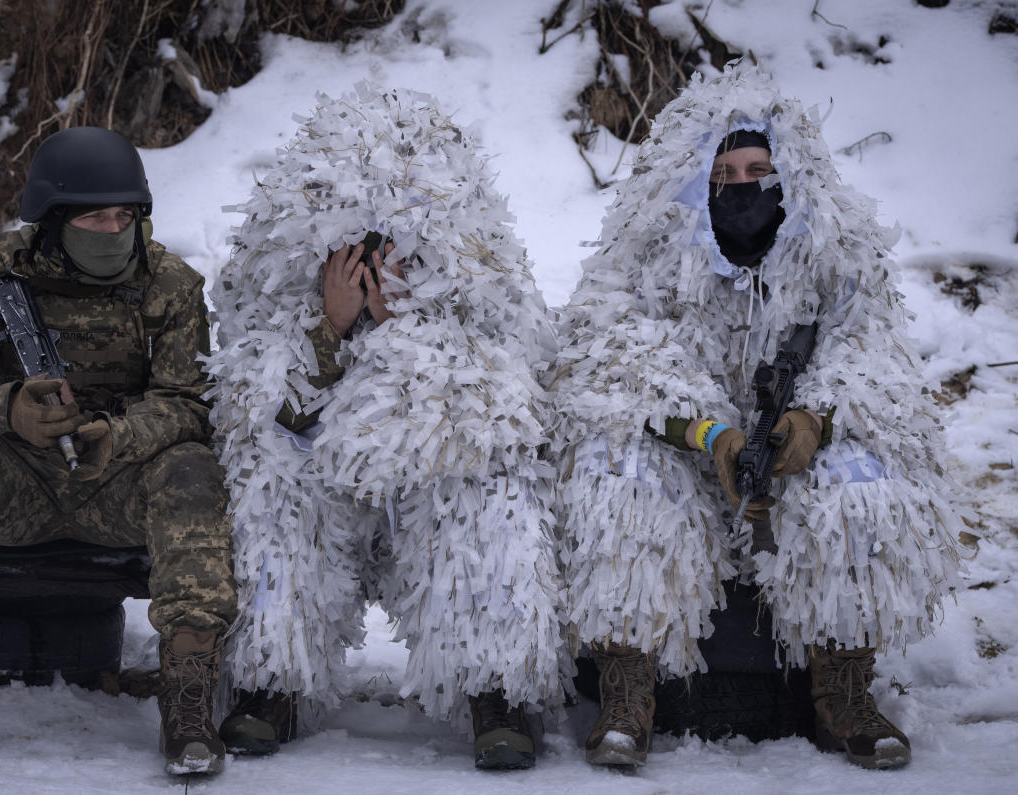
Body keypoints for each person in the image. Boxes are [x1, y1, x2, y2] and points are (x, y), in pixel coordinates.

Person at [549, 63, 964, 771]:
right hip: (686, 461)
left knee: (859, 487)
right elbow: (605, 361)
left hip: (791, 463)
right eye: (723, 172)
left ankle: (842, 692)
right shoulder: (643, 256)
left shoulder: (834, 256)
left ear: (789, 175)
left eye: (759, 169)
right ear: (691, 179)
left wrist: (811, 423)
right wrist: (704, 433)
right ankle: (626, 693)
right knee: (615, 480)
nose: (742, 187)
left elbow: (874, 359)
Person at [205, 85, 567, 769]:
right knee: (271, 480)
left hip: (426, 497)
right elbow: (257, 407)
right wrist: (330, 332)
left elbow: (509, 402)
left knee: (490, 483)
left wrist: (406, 335)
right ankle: (271, 680)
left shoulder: (487, 293)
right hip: (325, 491)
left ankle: (496, 689)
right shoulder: (279, 298)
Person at [0, 126, 235, 775]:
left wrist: (121, 435)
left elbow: (190, 402)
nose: (111, 229)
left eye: (124, 215)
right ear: (51, 219)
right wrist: (4, 408)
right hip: (14, 485)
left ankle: (187, 700)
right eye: (93, 215)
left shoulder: (169, 283)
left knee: (193, 469)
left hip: (115, 483)